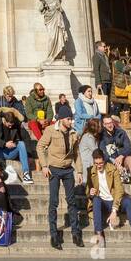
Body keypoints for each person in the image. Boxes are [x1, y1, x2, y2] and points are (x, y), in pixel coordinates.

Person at [37, 103, 82, 250]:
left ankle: (76, 233)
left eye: (71, 119)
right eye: (68, 119)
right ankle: (54, 234)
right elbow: (40, 146)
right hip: (54, 169)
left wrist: (80, 171)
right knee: (54, 202)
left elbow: (77, 153)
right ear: (62, 119)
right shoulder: (51, 130)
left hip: (68, 169)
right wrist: (44, 165)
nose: (71, 121)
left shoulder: (73, 133)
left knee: (72, 201)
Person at [86, 148, 131, 249]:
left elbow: (119, 190)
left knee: (128, 201)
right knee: (95, 200)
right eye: (96, 163)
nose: (98, 165)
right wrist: (90, 193)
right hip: (102, 202)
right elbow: (88, 191)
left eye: (100, 163)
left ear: (104, 160)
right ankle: (99, 235)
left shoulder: (112, 169)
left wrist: (114, 210)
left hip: (114, 201)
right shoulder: (91, 171)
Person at [99, 115, 131, 192]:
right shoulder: (101, 136)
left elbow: (128, 148)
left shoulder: (121, 132)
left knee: (130, 159)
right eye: (107, 123)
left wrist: (121, 156)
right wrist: (115, 162)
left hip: (122, 159)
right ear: (103, 125)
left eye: (111, 122)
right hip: (110, 162)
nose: (110, 125)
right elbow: (103, 153)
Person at [0, 108, 32, 183]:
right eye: (9, 125)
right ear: (4, 120)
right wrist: (4, 144)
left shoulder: (16, 123)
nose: (10, 127)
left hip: (11, 152)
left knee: (21, 144)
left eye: (12, 125)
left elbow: (26, 137)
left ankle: (26, 174)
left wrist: (29, 155)